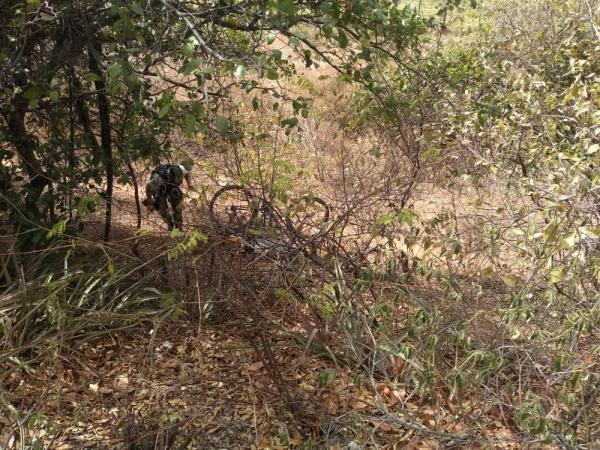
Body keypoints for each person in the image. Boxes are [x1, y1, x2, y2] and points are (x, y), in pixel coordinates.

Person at [142, 162, 194, 230]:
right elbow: (148, 187)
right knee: (162, 208)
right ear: (173, 176)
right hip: (159, 188)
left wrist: (189, 184)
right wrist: (150, 201)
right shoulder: (158, 178)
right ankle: (170, 225)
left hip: (172, 187)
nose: (181, 180)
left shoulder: (180, 169)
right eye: (179, 178)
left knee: (177, 200)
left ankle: (178, 226)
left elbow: (187, 174)